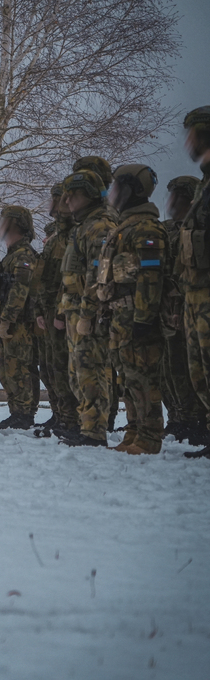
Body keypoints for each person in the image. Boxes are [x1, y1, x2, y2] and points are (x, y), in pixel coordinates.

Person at [92, 165, 167, 454]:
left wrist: (145, 318)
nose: (111, 194)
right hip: (119, 316)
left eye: (116, 188)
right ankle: (134, 431)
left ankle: (149, 436)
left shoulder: (146, 229)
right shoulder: (123, 229)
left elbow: (152, 277)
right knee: (127, 378)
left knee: (143, 377)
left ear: (132, 190)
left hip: (136, 316)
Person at [57, 169, 118, 447]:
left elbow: (99, 275)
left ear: (91, 196)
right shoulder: (83, 226)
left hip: (88, 314)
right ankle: (86, 424)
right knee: (77, 372)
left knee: (90, 370)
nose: (67, 201)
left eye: (73, 195)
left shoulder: (100, 227)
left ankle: (94, 430)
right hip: (75, 311)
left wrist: (88, 313)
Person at [174, 106, 210, 458]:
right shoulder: (204, 187)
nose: (187, 141)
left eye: (192, 132)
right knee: (200, 373)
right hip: (197, 300)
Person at [159, 176, 206, 443]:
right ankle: (178, 417)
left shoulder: (195, 228)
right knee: (170, 368)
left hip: (187, 307)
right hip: (168, 308)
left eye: (177, 196)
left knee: (189, 368)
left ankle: (195, 420)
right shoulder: (167, 229)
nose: (171, 202)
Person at [34, 185, 79, 436]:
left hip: (64, 314)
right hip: (50, 313)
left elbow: (68, 279)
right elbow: (44, 279)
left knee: (65, 368)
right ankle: (62, 415)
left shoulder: (73, 236)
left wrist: (60, 313)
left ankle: (72, 419)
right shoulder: (57, 239)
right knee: (52, 367)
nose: (52, 205)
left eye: (56, 200)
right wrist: (41, 310)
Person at [0, 206, 40, 429]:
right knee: (8, 370)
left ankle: (23, 413)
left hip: (19, 324)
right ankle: (18, 411)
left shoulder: (23, 256)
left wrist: (7, 319)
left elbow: (19, 292)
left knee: (18, 369)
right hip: (9, 322)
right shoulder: (11, 256)